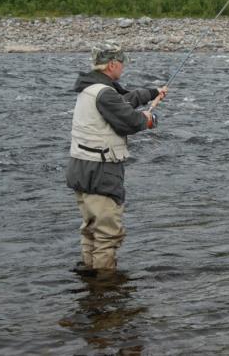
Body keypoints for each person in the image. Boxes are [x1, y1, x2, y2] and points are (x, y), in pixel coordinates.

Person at [66, 41, 167, 276]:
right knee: (107, 233)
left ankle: (90, 283)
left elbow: (122, 102)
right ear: (112, 64)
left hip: (80, 168)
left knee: (91, 228)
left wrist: (152, 93)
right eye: (121, 64)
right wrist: (149, 120)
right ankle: (104, 287)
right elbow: (130, 121)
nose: (123, 68)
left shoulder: (90, 87)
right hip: (100, 171)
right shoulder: (104, 93)